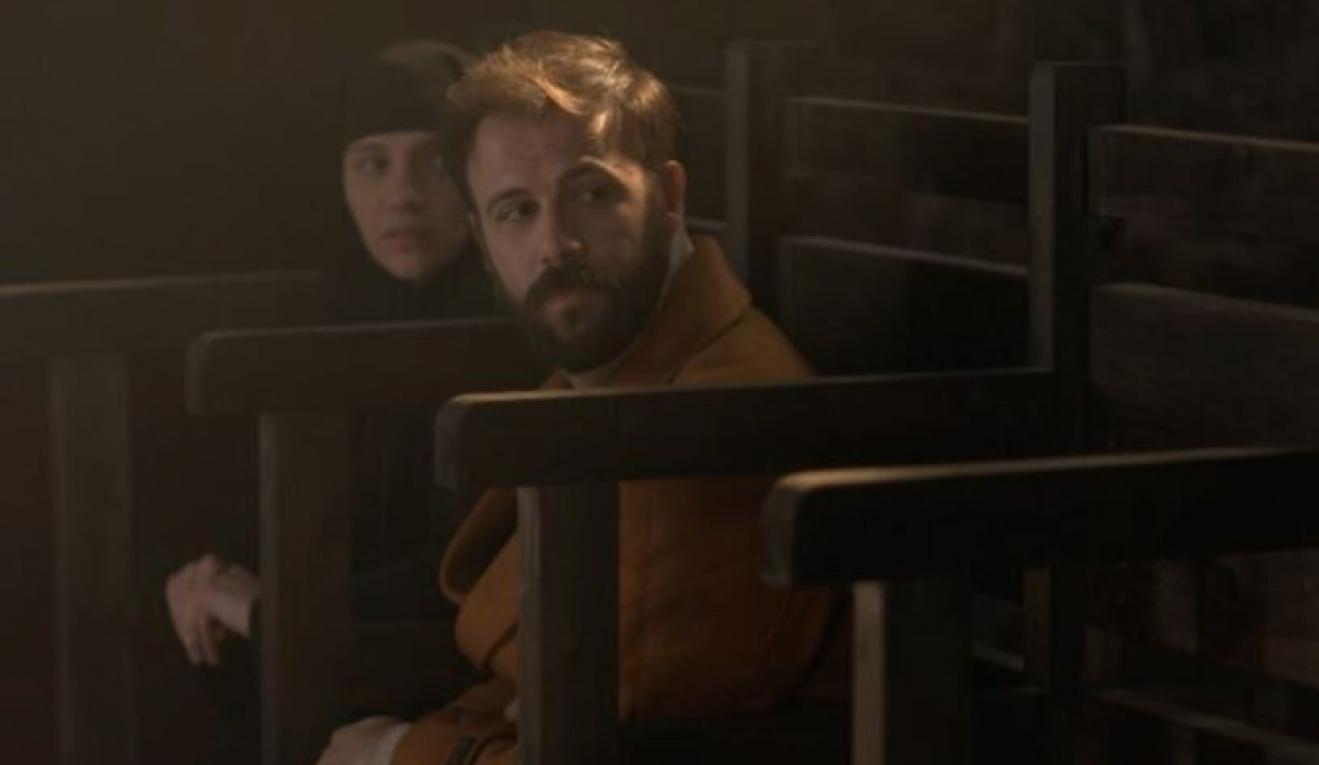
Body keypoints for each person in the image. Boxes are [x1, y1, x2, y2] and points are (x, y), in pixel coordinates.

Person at [319, 31, 845, 765]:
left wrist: (394, 753)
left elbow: (598, 740)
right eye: (515, 211)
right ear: (481, 238)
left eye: (591, 194)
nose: (555, 244)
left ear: (667, 198)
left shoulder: (714, 420)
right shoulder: (616, 371)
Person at [163, 39, 495, 763]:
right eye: (373, 164)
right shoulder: (337, 311)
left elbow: (468, 568)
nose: (402, 196)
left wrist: (270, 608)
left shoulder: (509, 330)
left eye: (435, 162)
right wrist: (213, 574)